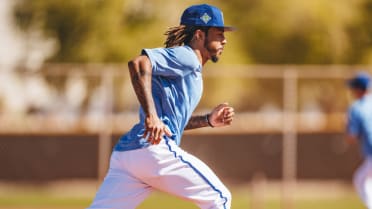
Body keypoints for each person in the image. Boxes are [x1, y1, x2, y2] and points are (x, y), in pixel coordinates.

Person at [88, 4, 236, 209]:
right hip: (153, 151)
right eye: (219, 34)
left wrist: (207, 121)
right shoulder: (189, 56)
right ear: (200, 35)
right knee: (219, 198)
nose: (224, 40)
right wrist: (151, 116)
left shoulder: (190, 67)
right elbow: (138, 63)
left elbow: (172, 121)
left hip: (128, 155)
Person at [346, 71, 372, 209]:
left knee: (360, 180)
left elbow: (352, 137)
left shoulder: (356, 108)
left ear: (358, 89)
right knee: (365, 180)